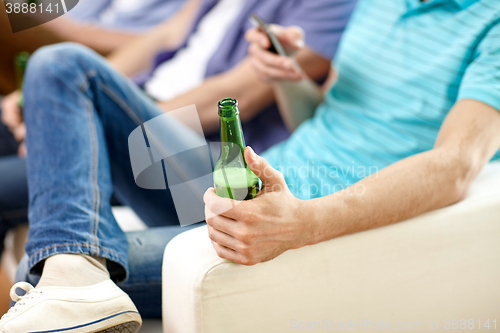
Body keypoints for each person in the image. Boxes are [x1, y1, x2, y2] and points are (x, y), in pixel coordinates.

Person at [7, 0, 500, 330]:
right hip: (241, 181)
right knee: (62, 65)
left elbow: (455, 165)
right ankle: (73, 272)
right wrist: (286, 73)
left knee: (49, 263)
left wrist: (303, 222)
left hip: (300, 222)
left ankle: (73, 273)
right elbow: (324, 113)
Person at [0, 0, 357, 330]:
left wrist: (88, 115)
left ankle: (73, 275)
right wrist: (65, 102)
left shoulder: (329, 7)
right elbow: (164, 35)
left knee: (58, 67)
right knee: (52, 75)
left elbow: (240, 95)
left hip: (188, 146)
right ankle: (73, 272)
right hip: (133, 103)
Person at [0, 0, 187, 94]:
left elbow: (171, 37)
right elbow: (62, 11)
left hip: (110, 51)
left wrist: (77, 32)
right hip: (66, 34)